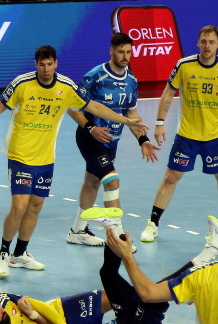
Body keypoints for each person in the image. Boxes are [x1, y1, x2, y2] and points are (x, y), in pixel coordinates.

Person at [0, 45, 145, 277]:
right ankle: (3, 252)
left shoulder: (66, 87)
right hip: (20, 155)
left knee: (35, 207)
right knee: (19, 206)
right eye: (42, 65)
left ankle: (20, 254)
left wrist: (126, 120)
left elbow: (94, 106)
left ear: (56, 64)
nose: (46, 69)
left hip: (45, 158)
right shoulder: (22, 84)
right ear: (36, 65)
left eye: (50, 64)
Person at [32, 212, 218, 324]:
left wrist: (39, 317)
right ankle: (209, 253)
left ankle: (113, 227)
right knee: (152, 296)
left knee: (108, 274)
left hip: (123, 319)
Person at [141, 25, 218, 243]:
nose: (207, 46)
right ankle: (153, 224)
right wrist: (159, 123)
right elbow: (169, 92)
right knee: (171, 178)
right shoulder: (184, 65)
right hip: (187, 136)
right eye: (204, 41)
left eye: (211, 42)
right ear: (198, 43)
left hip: (216, 136)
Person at [65, 32, 159, 247]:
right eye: (121, 52)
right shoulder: (95, 77)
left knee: (93, 182)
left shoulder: (131, 80)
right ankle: (118, 239)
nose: (125, 56)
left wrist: (143, 140)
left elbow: (131, 114)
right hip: (90, 137)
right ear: (111, 51)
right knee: (112, 181)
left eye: (128, 52)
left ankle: (77, 231)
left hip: (112, 140)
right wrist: (91, 128)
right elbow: (72, 108)